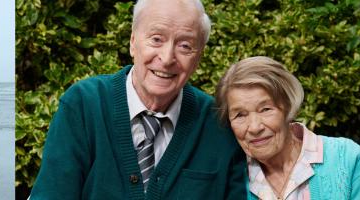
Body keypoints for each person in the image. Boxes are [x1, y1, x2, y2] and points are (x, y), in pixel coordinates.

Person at [29, 0, 247, 199]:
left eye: (185, 46)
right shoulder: (83, 104)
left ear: (198, 57)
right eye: (156, 39)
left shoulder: (217, 122)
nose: (167, 57)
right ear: (133, 42)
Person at [215, 56, 360, 200]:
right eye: (240, 115)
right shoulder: (229, 177)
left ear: (288, 107)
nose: (255, 127)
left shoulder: (345, 158)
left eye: (265, 109)